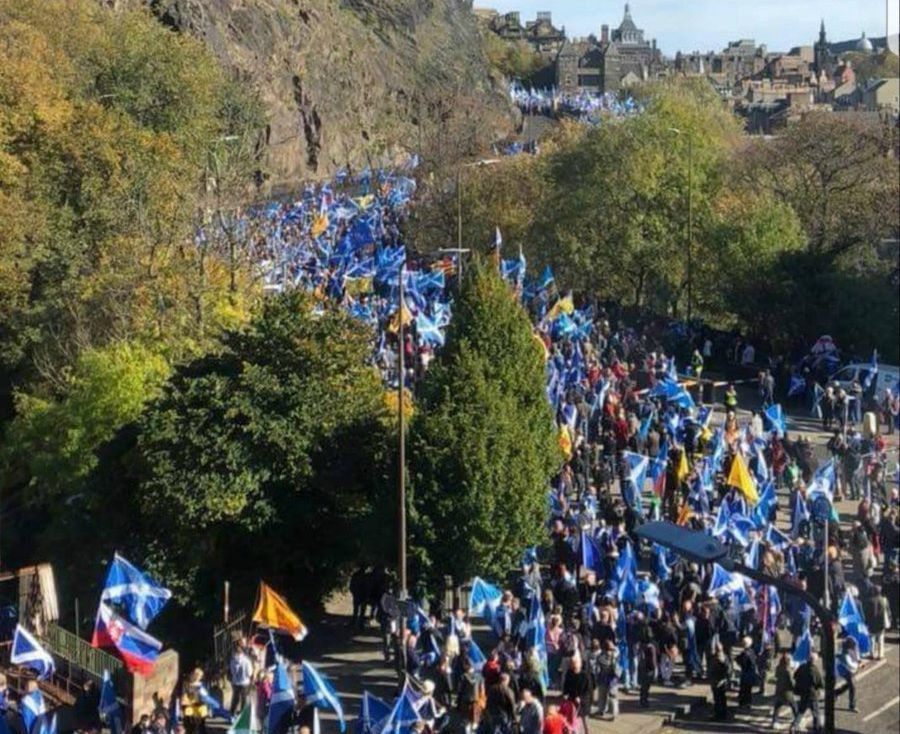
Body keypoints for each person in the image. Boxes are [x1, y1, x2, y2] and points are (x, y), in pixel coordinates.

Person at [793, 652, 824, 734]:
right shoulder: (814, 670)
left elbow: (795, 675)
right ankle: (817, 729)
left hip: (803, 693)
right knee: (816, 712)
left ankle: (794, 726)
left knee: (801, 711)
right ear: (814, 660)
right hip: (812, 694)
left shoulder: (802, 666)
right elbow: (820, 683)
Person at [591, 639, 619, 720]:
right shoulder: (615, 654)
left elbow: (597, 669)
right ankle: (614, 713)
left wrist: (596, 677)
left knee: (602, 696)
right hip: (613, 679)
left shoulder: (600, 657)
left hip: (603, 678)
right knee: (613, 697)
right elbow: (617, 649)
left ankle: (601, 710)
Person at [770, 651, 796, 729]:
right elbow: (791, 682)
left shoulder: (778, 668)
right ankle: (797, 720)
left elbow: (776, 676)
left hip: (779, 690)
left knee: (777, 706)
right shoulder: (788, 671)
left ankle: (774, 722)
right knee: (794, 706)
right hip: (787, 692)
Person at [228, 639, 254, 715]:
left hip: (235, 682)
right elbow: (249, 673)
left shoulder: (232, 660)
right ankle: (242, 713)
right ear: (242, 652)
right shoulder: (246, 661)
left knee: (235, 698)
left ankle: (232, 713)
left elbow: (232, 672)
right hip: (245, 682)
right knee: (244, 698)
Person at [708, 642, 731, 721]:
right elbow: (729, 670)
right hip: (723, 681)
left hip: (716, 681)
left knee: (717, 699)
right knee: (722, 698)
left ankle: (718, 715)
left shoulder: (715, 658)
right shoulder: (725, 657)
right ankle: (723, 714)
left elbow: (712, 670)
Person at [837, 636, 860, 713]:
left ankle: (836, 693)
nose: (855, 648)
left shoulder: (850, 647)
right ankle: (852, 705)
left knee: (849, 685)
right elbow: (849, 664)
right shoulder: (844, 654)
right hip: (845, 670)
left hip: (850, 670)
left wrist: (858, 660)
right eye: (853, 647)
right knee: (852, 687)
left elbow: (856, 655)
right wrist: (858, 665)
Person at [735, 636, 758, 708]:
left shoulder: (745, 653)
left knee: (744, 689)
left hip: (746, 673)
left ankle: (743, 703)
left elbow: (743, 663)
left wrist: (738, 660)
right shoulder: (752, 651)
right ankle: (748, 703)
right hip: (751, 672)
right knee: (748, 689)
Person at [636, 639, 657, 709]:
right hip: (648, 669)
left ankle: (642, 700)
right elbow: (653, 661)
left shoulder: (641, 647)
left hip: (642, 668)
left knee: (643, 687)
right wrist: (654, 669)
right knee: (646, 687)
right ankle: (644, 701)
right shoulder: (651, 648)